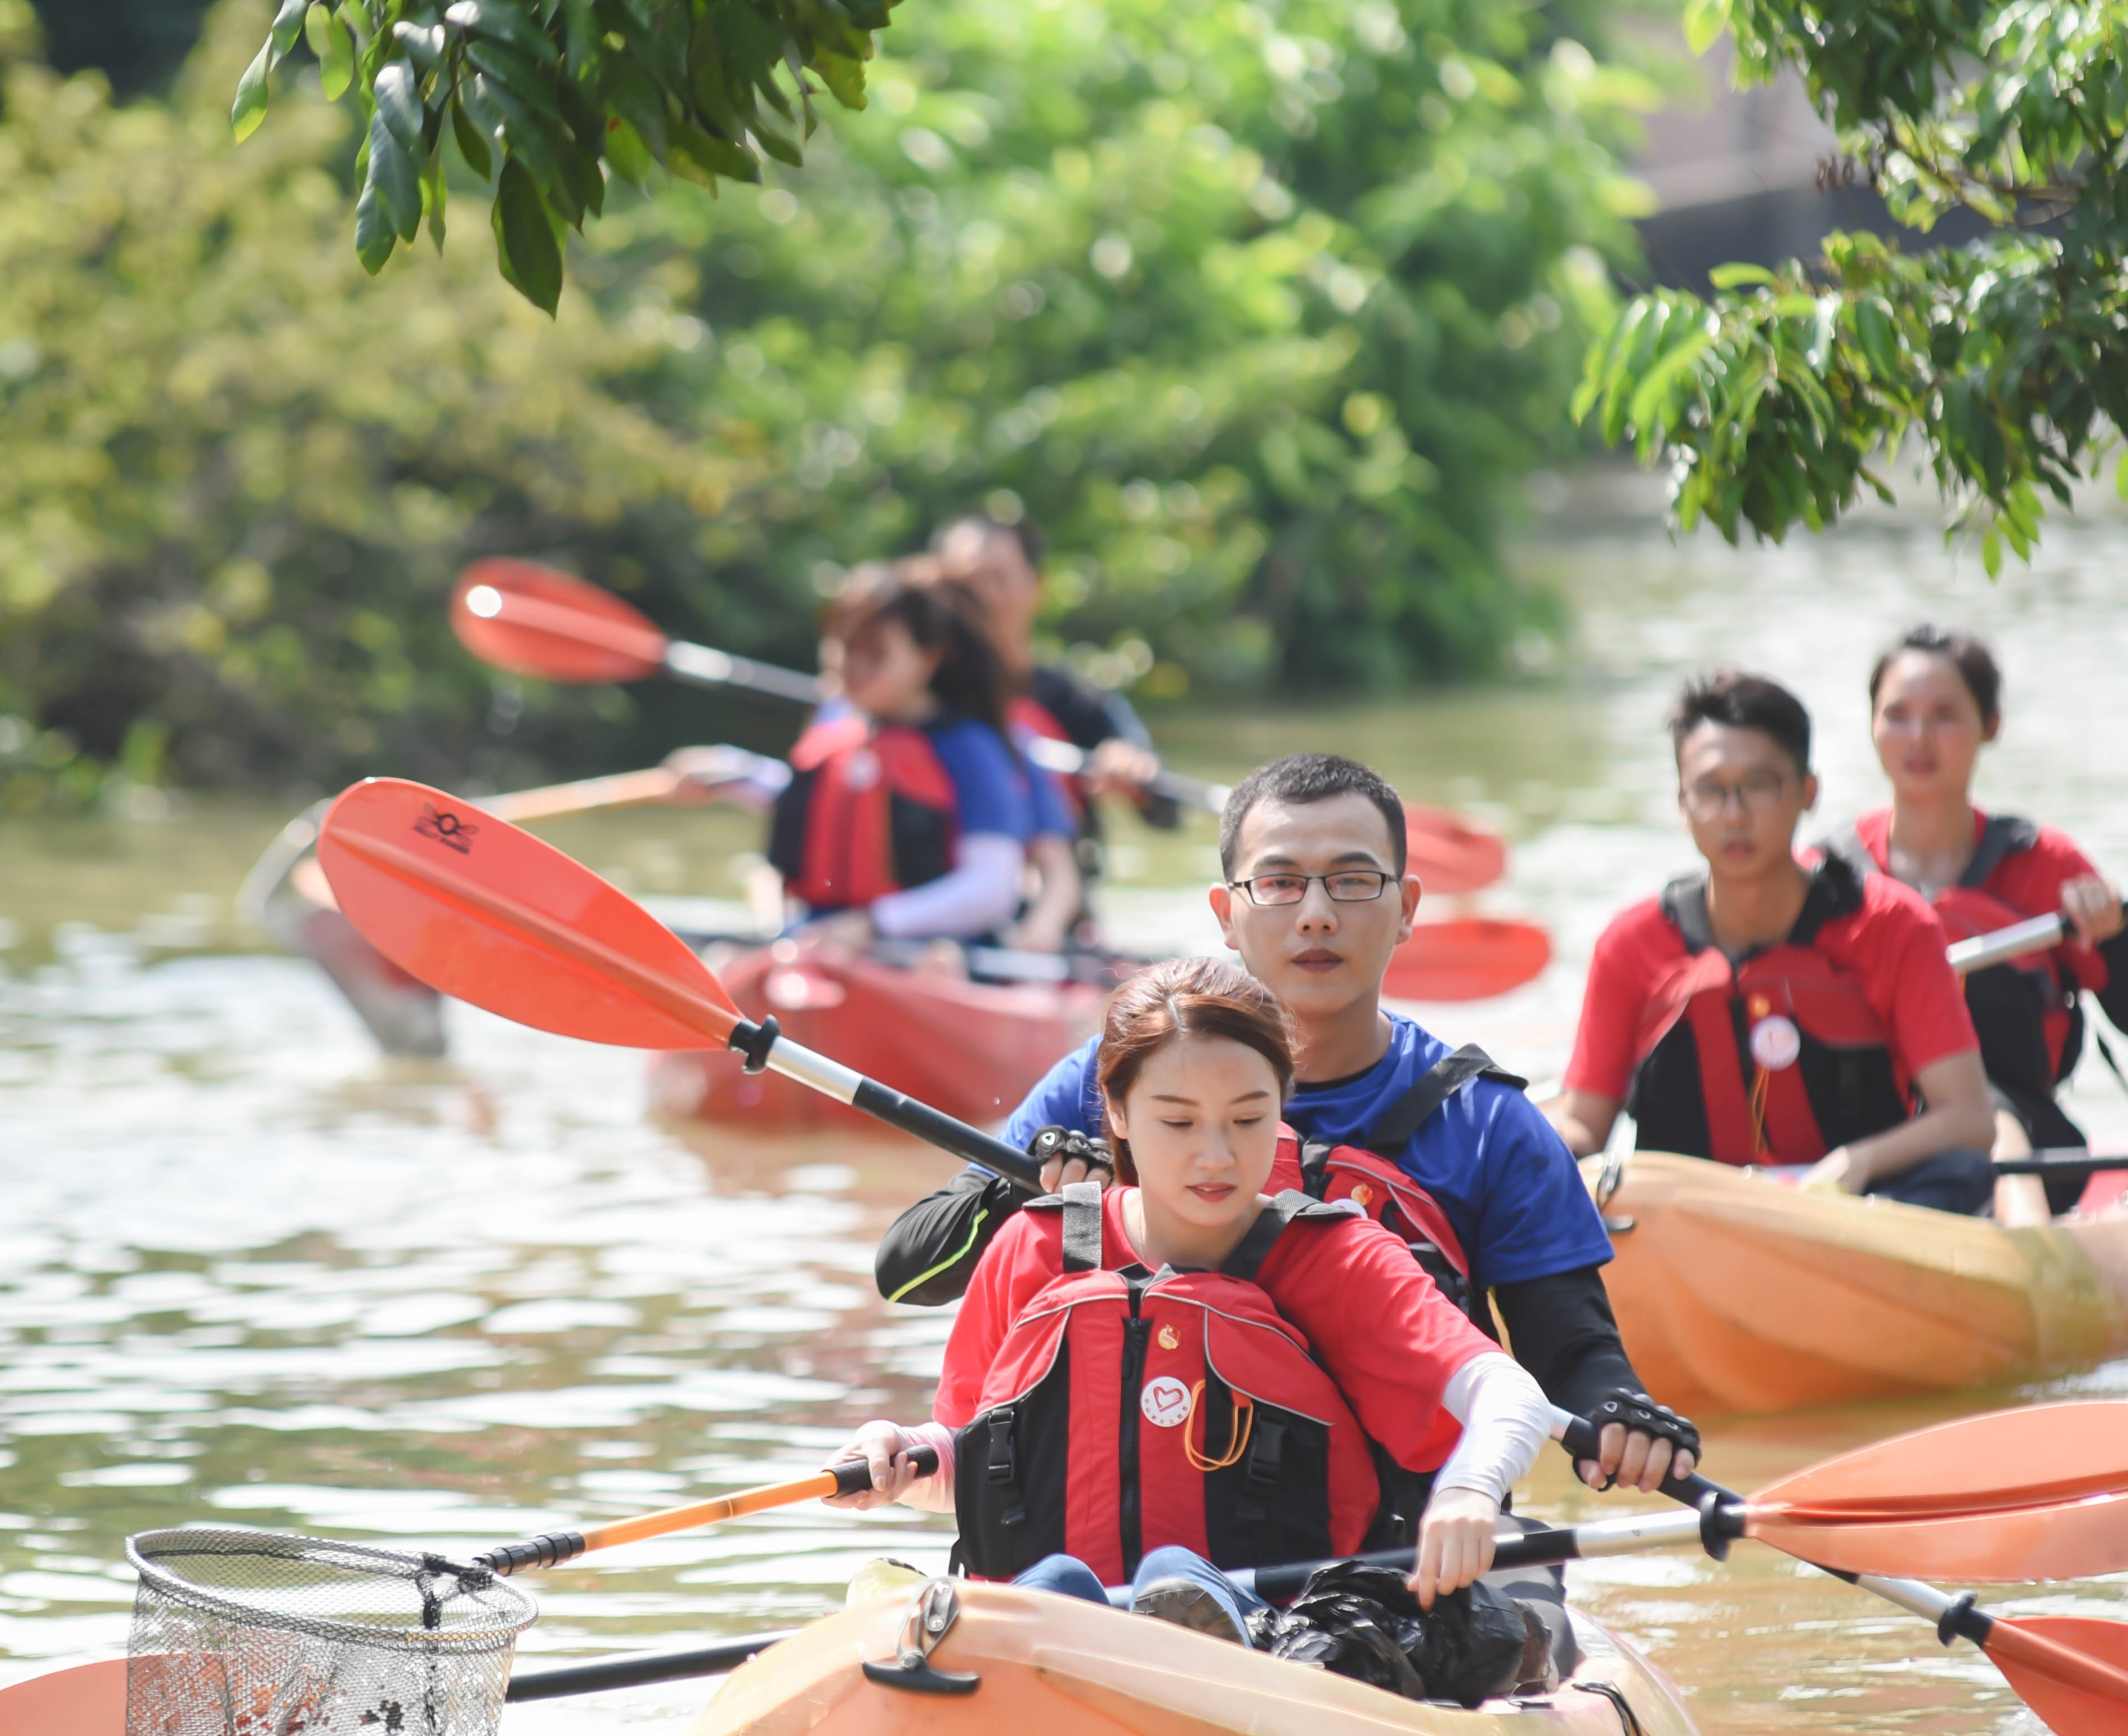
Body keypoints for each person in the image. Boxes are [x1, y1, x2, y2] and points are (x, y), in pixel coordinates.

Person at [878, 751, 1697, 1513]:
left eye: (1350, 882)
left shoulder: (1487, 1124)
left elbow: (1570, 1352)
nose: (1313, 916)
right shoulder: (1116, 1081)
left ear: (1406, 908)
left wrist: (1619, 1415)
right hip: (1137, 1538)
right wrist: (1023, 1182)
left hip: (1389, 1558)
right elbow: (908, 1275)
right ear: (1225, 914)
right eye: (1277, 884)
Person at [826, 957, 1565, 1646]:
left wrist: (1469, 1491)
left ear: (1281, 1105)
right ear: (1114, 1112)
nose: (1215, 1155)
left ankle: (1192, 1627)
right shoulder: (1032, 1246)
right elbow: (975, 1466)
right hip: (1048, 1629)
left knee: (1171, 1578)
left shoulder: (1338, 1259)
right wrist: (903, 1455)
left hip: (1278, 1639)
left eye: (1246, 1119)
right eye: (1177, 1122)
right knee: (1051, 1586)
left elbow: (1509, 1396)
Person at [1549, 671, 2000, 1214]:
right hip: (1682, 1230)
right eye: (1710, 791)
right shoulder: (1630, 944)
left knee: (1961, 1173)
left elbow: (1969, 1119)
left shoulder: (1895, 925)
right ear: (1681, 804)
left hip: (1859, 1217)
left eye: (1758, 786)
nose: (1734, 815)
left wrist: (1858, 1160)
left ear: (1807, 791)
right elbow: (1584, 1122)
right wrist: (1504, 1141)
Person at [1847, 625, 2128, 1215]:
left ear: (1990, 726)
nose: (1918, 737)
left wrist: (2113, 936)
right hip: (1864, 1133)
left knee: (1989, 1111)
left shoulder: (2045, 865)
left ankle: (2023, 1249)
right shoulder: (1830, 875)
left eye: (1944, 714)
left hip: (2019, 1133)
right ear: (1871, 723)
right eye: (1896, 714)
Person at [663, 569, 1083, 955]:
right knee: (723, 958)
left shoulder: (971, 749)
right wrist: (728, 773)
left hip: (934, 951)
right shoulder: (836, 729)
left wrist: (873, 925)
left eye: (875, 654)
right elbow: (813, 805)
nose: (853, 667)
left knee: (940, 962)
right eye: (844, 649)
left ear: (927, 658)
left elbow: (991, 889)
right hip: (822, 938)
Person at [934, 511, 1178, 860]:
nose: (983, 598)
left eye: (1000, 579)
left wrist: (1133, 772)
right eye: (966, 584)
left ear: (1037, 587)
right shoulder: (912, 698)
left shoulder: (1077, 700)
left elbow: (1167, 812)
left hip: (1056, 892)